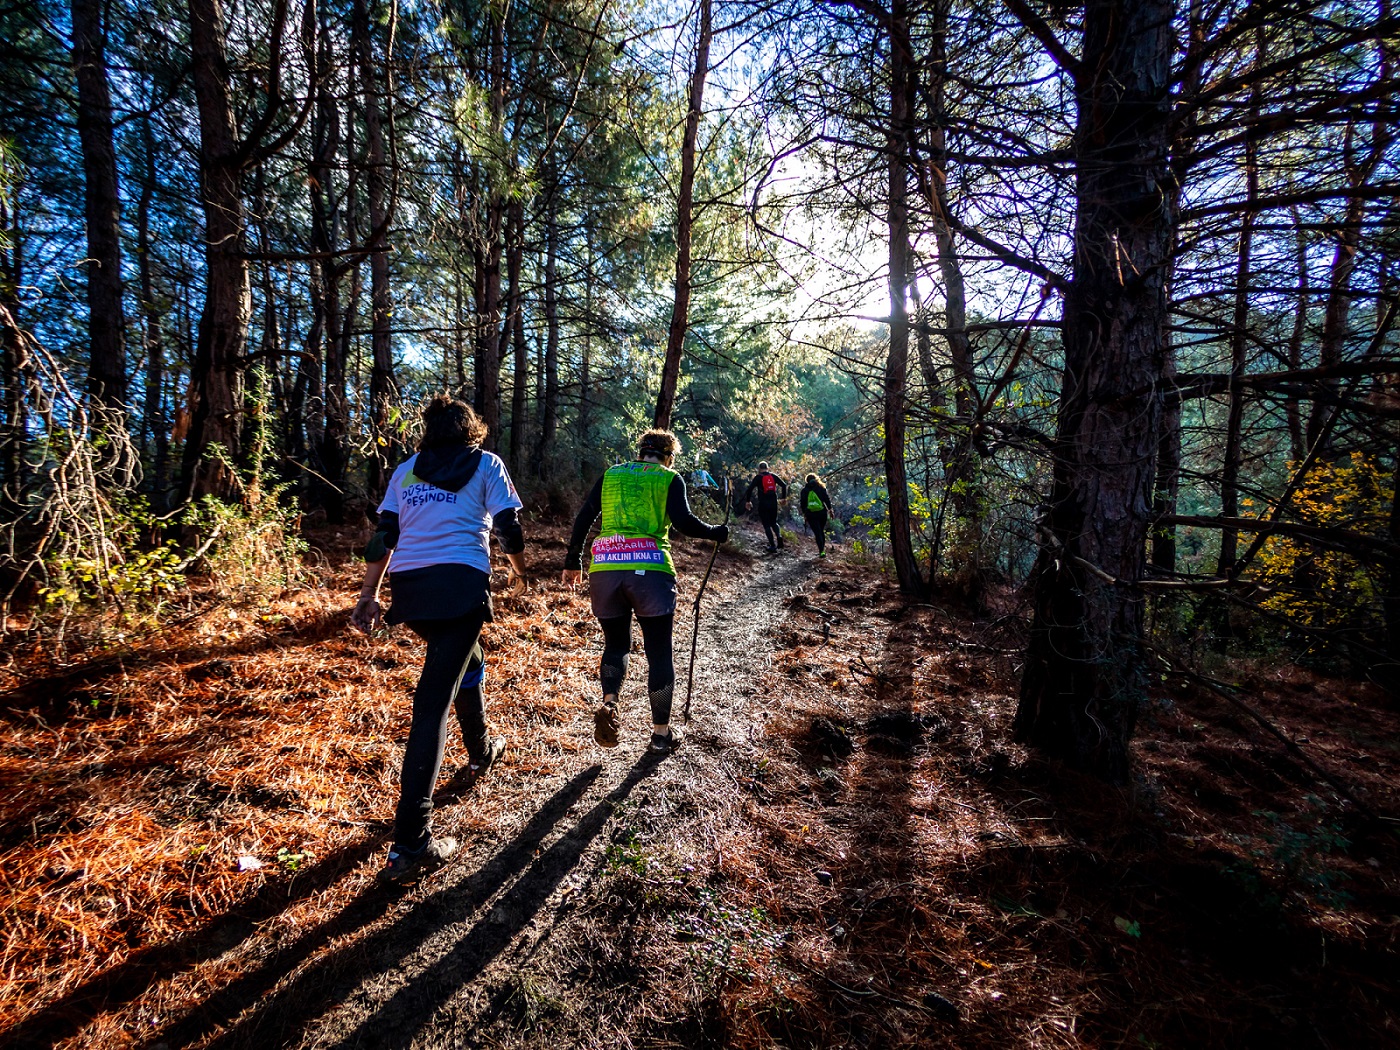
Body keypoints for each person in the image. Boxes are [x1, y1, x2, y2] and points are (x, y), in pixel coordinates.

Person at [351, 394, 528, 882]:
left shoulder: (405, 471)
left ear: (428, 431)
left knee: (466, 661)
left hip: (412, 596)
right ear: (472, 429)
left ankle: (480, 749)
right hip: (461, 587)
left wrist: (368, 595)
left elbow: (382, 537)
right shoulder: (486, 463)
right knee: (432, 702)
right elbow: (510, 530)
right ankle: (410, 844)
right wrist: (519, 574)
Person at [560, 429, 728, 753]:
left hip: (605, 568)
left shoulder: (611, 474)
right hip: (650, 571)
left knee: (616, 644)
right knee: (659, 652)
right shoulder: (668, 478)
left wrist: (572, 560)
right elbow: (684, 522)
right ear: (669, 456)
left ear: (640, 452)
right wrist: (715, 532)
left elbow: (584, 518)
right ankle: (661, 735)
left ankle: (609, 703)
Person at [744, 461, 789, 553]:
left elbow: (749, 489)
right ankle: (779, 536)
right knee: (774, 522)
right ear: (767, 468)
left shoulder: (758, 478)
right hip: (773, 503)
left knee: (766, 524)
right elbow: (784, 485)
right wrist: (783, 498)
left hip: (763, 503)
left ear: (759, 469)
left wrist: (748, 501)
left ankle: (772, 545)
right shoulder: (773, 476)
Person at [798, 473, 833, 557]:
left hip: (811, 514)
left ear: (806, 481)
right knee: (821, 531)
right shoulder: (821, 487)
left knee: (817, 532)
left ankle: (821, 551)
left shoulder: (804, 490)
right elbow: (826, 499)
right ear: (816, 479)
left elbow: (803, 504)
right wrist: (830, 510)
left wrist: (805, 514)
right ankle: (822, 550)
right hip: (822, 513)